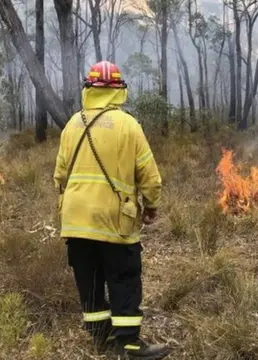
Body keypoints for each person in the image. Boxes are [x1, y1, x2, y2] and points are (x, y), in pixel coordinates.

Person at [53, 61, 170, 359]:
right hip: (115, 222)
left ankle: (99, 339)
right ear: (119, 91)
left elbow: (60, 178)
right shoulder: (129, 126)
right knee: (124, 279)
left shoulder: (71, 125)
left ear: (88, 89)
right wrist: (151, 205)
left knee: (89, 281)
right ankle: (129, 343)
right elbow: (150, 176)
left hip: (76, 222)